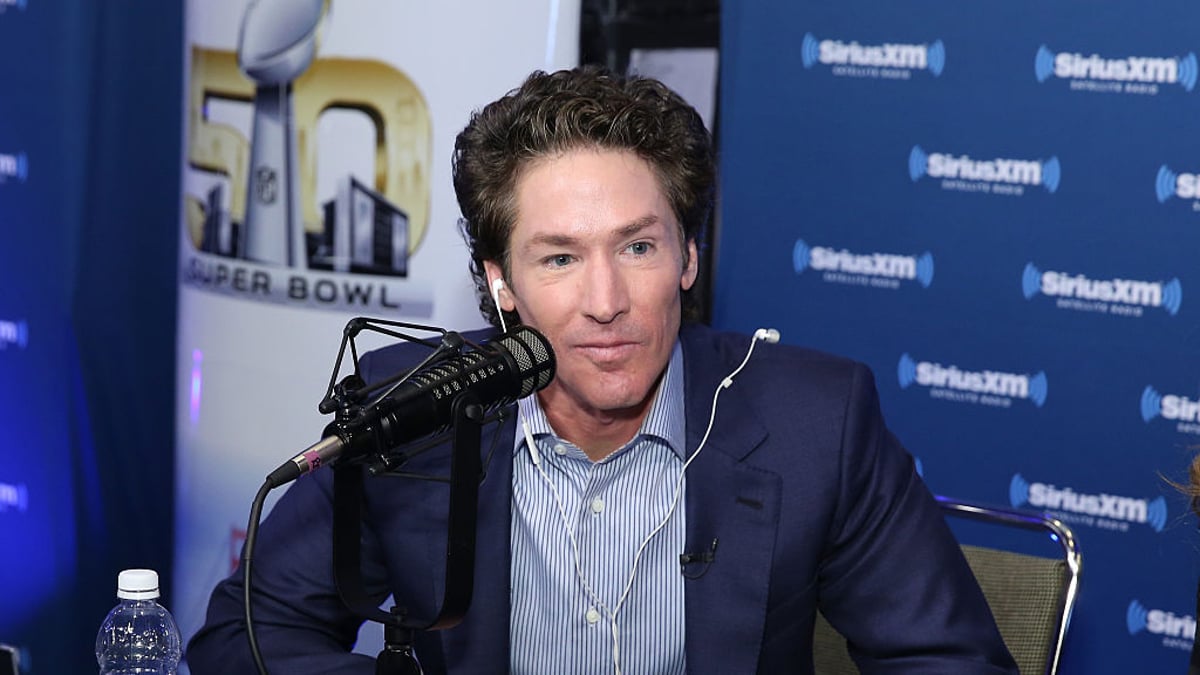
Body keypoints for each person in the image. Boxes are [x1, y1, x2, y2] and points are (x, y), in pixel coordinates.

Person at [188, 65, 1017, 674]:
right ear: (500, 282)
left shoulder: (817, 421)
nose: (606, 300)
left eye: (638, 246)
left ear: (689, 256)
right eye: (558, 258)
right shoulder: (411, 409)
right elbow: (243, 637)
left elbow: (953, 663)